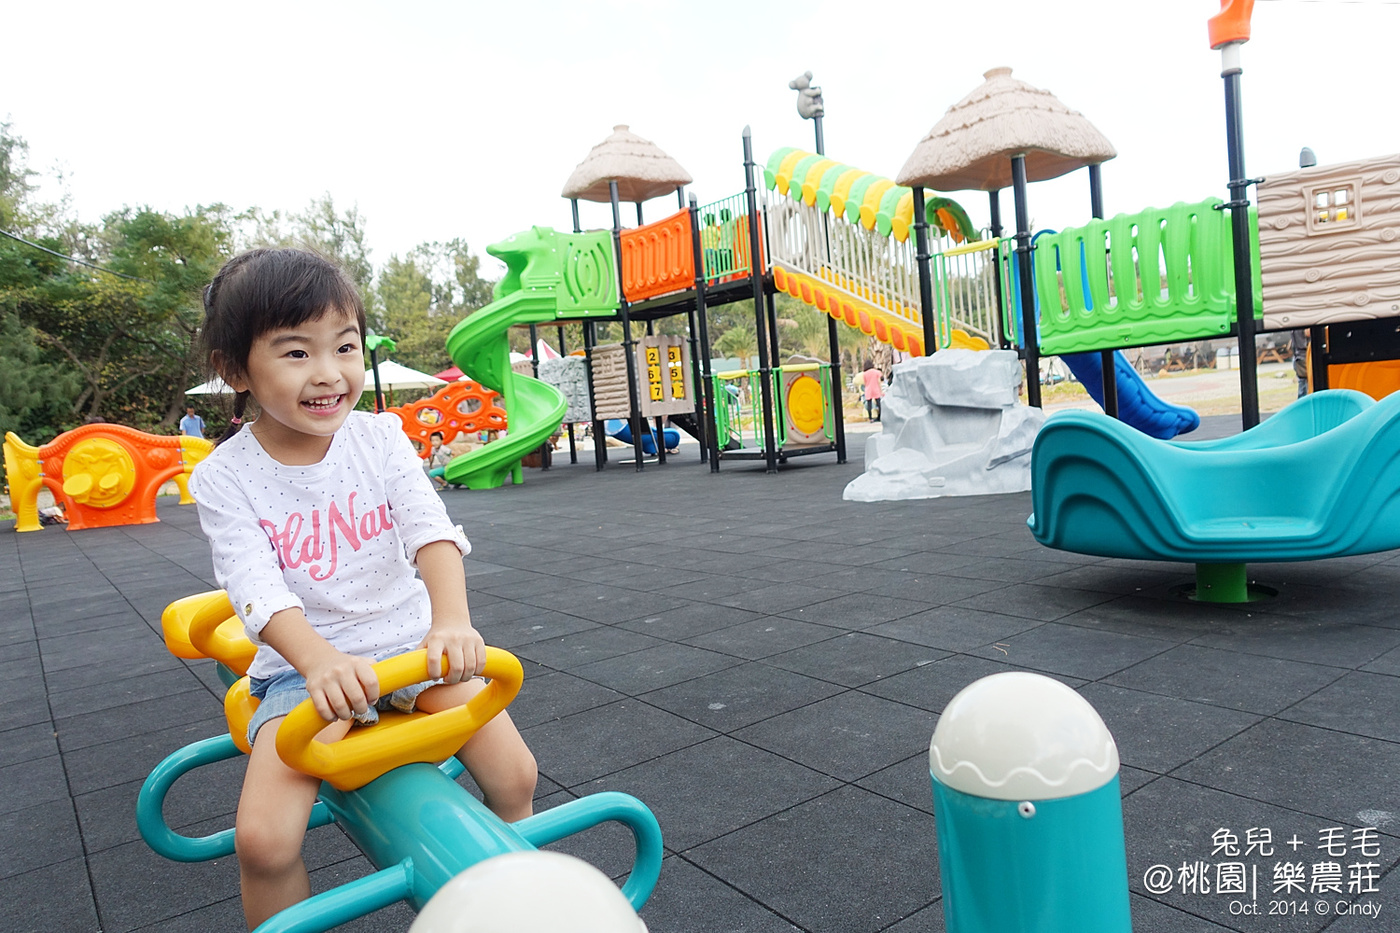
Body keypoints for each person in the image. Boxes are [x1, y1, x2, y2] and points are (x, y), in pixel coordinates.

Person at [188, 249, 536, 930]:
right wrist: (318, 662)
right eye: (295, 353)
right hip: (302, 672)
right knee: (264, 840)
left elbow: (429, 531)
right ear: (236, 369)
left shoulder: (379, 437)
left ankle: (510, 903)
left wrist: (452, 622)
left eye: (345, 346)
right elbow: (255, 588)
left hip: (410, 648)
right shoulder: (225, 476)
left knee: (516, 773)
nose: (328, 373)